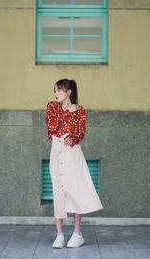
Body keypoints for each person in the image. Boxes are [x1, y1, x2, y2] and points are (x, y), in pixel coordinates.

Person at [45, 79, 103, 249]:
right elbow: (52, 127)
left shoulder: (80, 111)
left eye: (60, 90)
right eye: (55, 90)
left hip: (72, 153)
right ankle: (60, 235)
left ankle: (77, 234)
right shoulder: (52, 107)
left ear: (69, 92)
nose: (56, 93)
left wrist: (74, 136)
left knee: (75, 191)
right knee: (58, 190)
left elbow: (80, 132)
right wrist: (67, 112)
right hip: (56, 149)